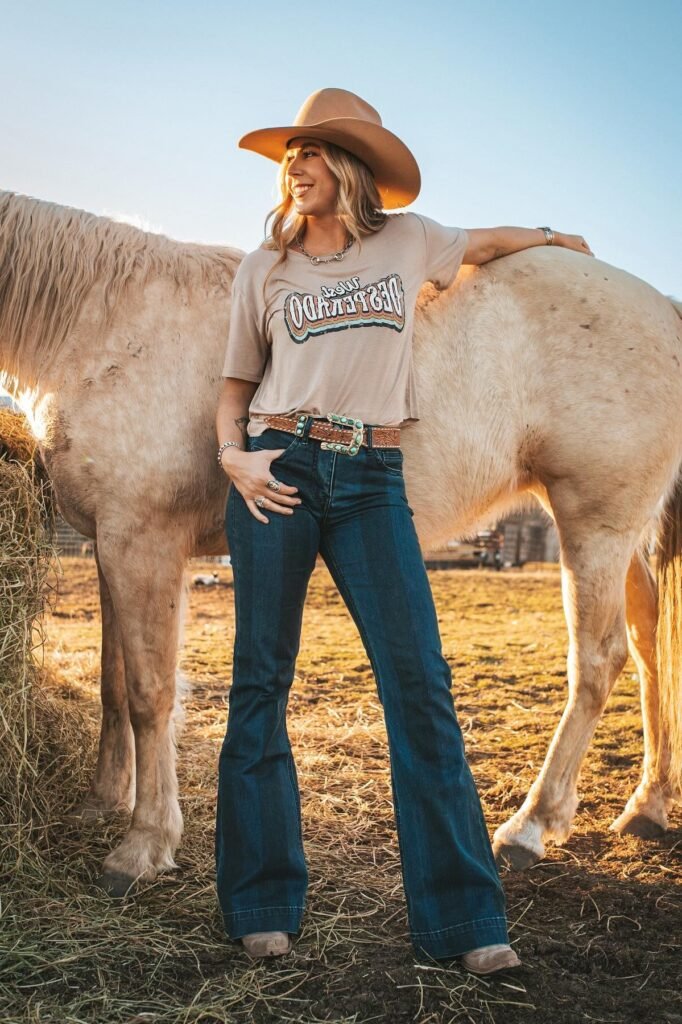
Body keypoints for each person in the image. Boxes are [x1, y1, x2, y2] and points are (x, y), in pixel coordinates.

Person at [215, 87, 593, 974]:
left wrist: (550, 236)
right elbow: (235, 385)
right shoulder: (261, 270)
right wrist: (234, 457)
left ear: (347, 166)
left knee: (421, 685)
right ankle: (263, 901)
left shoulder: (407, 241)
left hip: (375, 475)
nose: (295, 166)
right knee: (261, 681)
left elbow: (487, 243)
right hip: (277, 467)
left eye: (310, 152)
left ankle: (465, 922)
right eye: (290, 155)